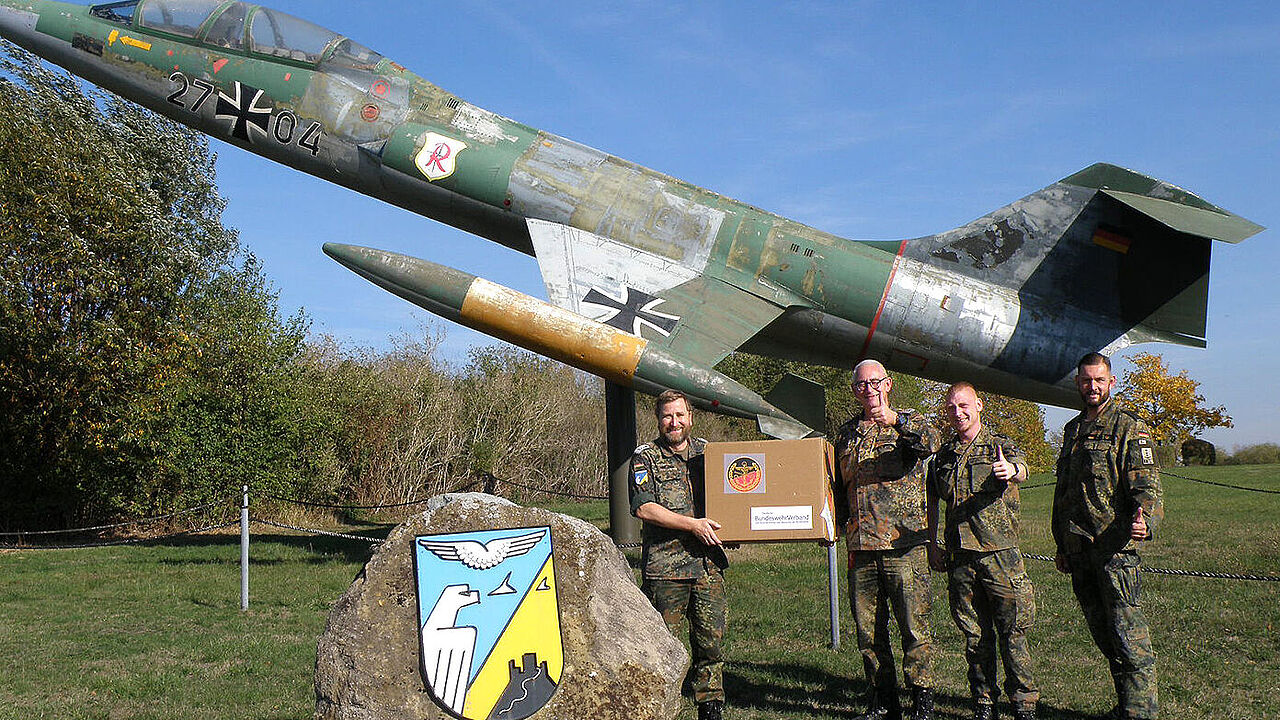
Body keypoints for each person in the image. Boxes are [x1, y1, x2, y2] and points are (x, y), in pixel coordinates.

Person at [1053, 353, 1163, 719]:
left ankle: (1140, 713)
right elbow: (1064, 492)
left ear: (1111, 382)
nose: (1092, 387)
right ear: (1078, 384)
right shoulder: (1072, 431)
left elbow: (1147, 486)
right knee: (1105, 638)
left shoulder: (1129, 427)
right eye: (1086, 380)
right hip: (1079, 550)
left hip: (1114, 552)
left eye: (1099, 380)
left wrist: (1146, 519)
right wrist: (1061, 544)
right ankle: (1125, 706)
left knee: (1130, 641)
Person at [834, 359, 941, 720]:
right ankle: (883, 699)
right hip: (861, 548)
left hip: (903, 547)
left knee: (915, 628)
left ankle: (922, 700)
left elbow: (932, 444)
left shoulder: (910, 423)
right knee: (869, 633)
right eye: (862, 384)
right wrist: (829, 526)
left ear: (889, 384)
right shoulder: (846, 434)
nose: (870, 390)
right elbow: (836, 486)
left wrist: (896, 422)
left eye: (875, 382)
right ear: (855, 390)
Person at [927, 382, 1038, 720]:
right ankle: (983, 702)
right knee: (974, 634)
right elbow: (932, 499)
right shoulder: (944, 455)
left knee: (1013, 633)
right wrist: (932, 542)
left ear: (978, 405)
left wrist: (1012, 471)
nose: (958, 413)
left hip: (999, 556)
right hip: (961, 558)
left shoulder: (998, 446)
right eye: (951, 408)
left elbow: (1022, 468)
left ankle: (1024, 703)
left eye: (964, 405)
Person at [630, 389, 728, 720]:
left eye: (680, 415)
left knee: (710, 643)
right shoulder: (645, 457)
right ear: (659, 420)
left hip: (707, 566)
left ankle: (710, 704)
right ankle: (654, 704)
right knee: (659, 644)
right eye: (667, 416)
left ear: (690, 417)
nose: (674, 422)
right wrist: (692, 525)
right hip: (665, 569)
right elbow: (644, 508)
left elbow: (734, 497)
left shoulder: (709, 454)